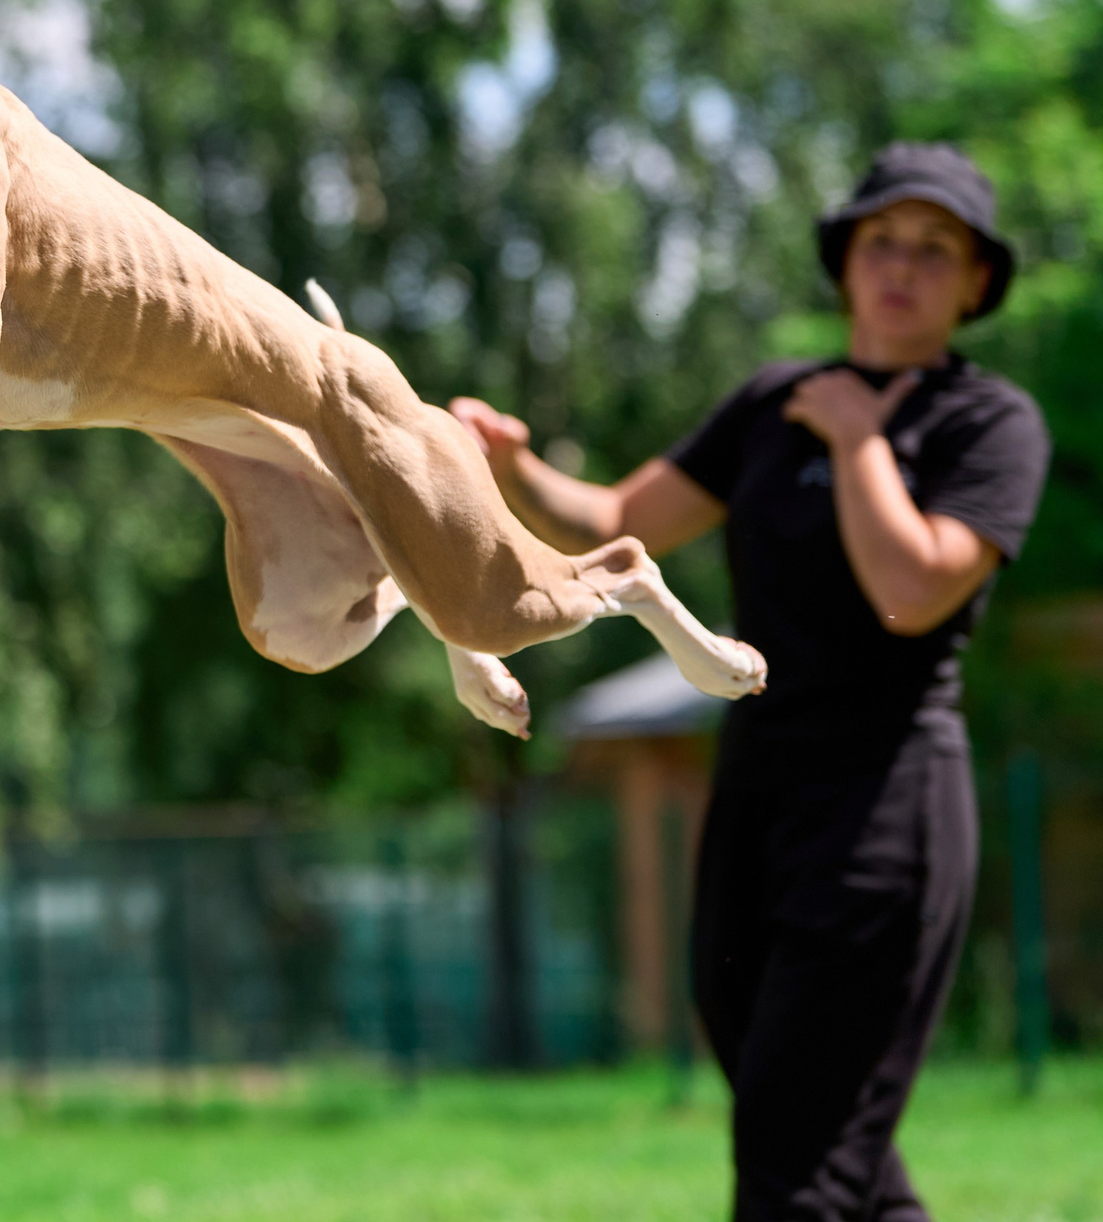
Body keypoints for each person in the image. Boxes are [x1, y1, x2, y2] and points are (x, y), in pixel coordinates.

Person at [448, 143, 1050, 1222]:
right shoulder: (775, 400)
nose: (901, 267)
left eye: (933, 249)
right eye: (880, 242)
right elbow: (623, 520)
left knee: (794, 1158)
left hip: (886, 805)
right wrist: (509, 469)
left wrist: (863, 440)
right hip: (759, 789)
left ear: (975, 283)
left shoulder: (987, 425)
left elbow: (911, 594)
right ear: (843, 264)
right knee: (809, 1122)